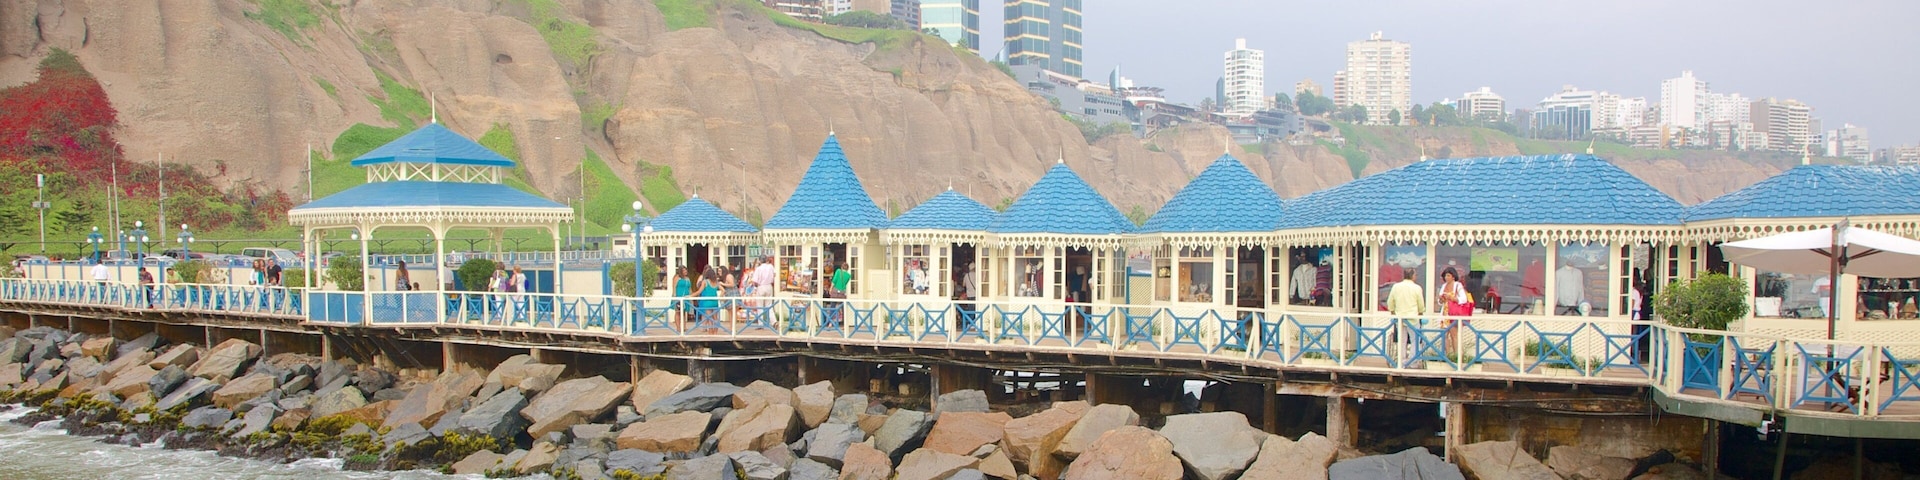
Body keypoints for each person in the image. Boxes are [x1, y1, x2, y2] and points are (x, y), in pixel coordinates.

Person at [1385, 266, 1425, 366]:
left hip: (1400, 318)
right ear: (1412, 276)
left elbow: (1390, 302)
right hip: (1413, 318)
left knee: (1402, 341)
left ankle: (1401, 362)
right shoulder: (1417, 288)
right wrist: (1421, 312)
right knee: (1415, 341)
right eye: (1415, 275)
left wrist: (1393, 312)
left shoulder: (1396, 287)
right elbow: (1420, 304)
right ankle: (1412, 362)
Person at [1436, 268, 1472, 355]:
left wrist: (1452, 298)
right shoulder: (1444, 286)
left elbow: (1464, 299)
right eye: (1445, 276)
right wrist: (1441, 299)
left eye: (1448, 275)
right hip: (1445, 314)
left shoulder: (1458, 285)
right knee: (1444, 335)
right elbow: (1440, 302)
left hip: (1454, 314)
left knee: (1454, 335)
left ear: (1453, 276)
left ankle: (1457, 356)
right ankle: (1447, 355)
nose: (1446, 277)